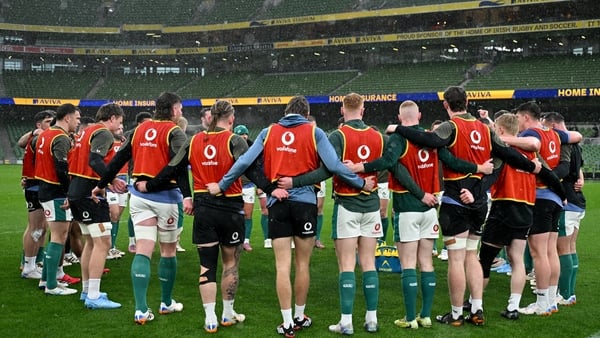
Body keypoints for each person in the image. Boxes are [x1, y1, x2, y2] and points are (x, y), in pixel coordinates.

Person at [207, 95, 375, 338]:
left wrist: (222, 184)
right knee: (302, 264)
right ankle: (299, 315)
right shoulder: (314, 132)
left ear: (286, 112)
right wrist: (361, 183)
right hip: (305, 204)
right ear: (305, 115)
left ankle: (287, 323)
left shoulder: (268, 131)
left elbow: (244, 162)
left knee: (282, 266)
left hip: (278, 203)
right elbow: (335, 166)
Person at [390, 87, 542, 327]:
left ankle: (457, 313)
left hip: (455, 200)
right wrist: (532, 167)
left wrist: (398, 128)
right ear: (468, 101)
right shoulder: (485, 128)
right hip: (479, 203)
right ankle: (477, 308)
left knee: (456, 259)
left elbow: (430, 140)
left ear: (445, 105)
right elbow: (502, 154)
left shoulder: (451, 127)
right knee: (473, 256)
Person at [350, 100, 491, 329]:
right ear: (420, 115)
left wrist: (360, 167)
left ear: (399, 117)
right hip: (430, 209)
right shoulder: (431, 138)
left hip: (408, 207)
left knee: (408, 264)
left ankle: (409, 318)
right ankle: (425, 316)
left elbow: (388, 162)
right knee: (426, 262)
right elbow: (452, 161)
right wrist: (479, 169)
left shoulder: (398, 138)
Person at [142, 101, 255, 332]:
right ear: (231, 118)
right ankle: (227, 313)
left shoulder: (193, 141)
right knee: (230, 263)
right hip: (230, 207)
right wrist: (273, 188)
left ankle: (210, 318)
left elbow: (173, 167)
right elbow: (251, 170)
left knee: (207, 266)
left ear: (209, 117)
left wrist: (150, 185)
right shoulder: (234, 140)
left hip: (203, 207)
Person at [91, 92, 188, 324]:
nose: (181, 113)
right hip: (164, 197)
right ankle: (165, 303)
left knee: (143, 250)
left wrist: (101, 185)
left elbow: (115, 161)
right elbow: (179, 166)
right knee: (168, 251)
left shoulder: (137, 131)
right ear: (173, 110)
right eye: (180, 109)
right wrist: (186, 196)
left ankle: (141, 309)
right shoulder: (175, 132)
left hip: (139, 198)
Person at [477, 113, 563, 320]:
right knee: (517, 260)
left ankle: (474, 303)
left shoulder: (503, 151)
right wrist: (563, 194)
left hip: (505, 205)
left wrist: (476, 192)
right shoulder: (531, 155)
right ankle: (513, 307)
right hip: (526, 208)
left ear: (500, 130)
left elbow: (492, 175)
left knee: (485, 259)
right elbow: (549, 173)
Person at [514, 102, 581, 316]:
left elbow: (530, 149)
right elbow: (574, 137)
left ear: (525, 117)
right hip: (555, 197)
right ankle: (551, 300)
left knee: (538, 253)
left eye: (518, 118)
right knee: (551, 251)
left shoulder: (530, 133)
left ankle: (542, 303)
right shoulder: (553, 134)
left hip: (540, 196)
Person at [67, 103, 124, 309]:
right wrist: (110, 180)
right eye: (119, 120)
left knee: (91, 242)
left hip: (77, 189)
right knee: (103, 243)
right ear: (111, 117)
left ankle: (87, 290)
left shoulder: (85, 132)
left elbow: (74, 161)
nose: (120, 125)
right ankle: (93, 295)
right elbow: (95, 161)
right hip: (89, 192)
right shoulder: (103, 133)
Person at [35, 103, 81, 295]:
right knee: (58, 236)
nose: (78, 122)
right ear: (67, 118)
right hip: (55, 191)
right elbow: (61, 167)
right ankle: (52, 285)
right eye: (77, 118)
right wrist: (70, 193)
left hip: (46, 188)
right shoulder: (61, 137)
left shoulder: (45, 134)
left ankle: (46, 279)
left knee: (57, 235)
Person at [541, 112, 585, 307]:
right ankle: (569, 292)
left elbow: (566, 169)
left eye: (546, 127)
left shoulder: (563, 142)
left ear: (554, 126)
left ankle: (565, 293)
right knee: (570, 247)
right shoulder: (574, 143)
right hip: (578, 202)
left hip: (567, 201)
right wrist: (581, 177)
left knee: (562, 249)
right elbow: (579, 167)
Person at [18, 110, 55, 279]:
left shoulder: (38, 138)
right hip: (36, 186)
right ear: (39, 125)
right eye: (48, 121)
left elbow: (21, 145)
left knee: (40, 227)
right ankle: (28, 266)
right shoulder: (39, 139)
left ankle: (33, 263)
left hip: (36, 184)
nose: (52, 124)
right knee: (36, 228)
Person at [124, 111, 153, 253]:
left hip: (149, 178)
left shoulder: (152, 135)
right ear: (140, 123)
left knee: (150, 211)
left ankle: (146, 241)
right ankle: (132, 241)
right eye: (147, 122)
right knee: (134, 211)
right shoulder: (132, 135)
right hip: (134, 176)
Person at [104, 125, 128, 259]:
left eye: (121, 128)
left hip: (123, 179)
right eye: (118, 128)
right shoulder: (106, 142)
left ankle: (112, 247)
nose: (121, 130)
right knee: (113, 213)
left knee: (117, 215)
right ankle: (106, 247)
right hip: (112, 181)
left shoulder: (124, 143)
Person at [306, 116, 326, 249]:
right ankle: (306, 237)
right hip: (305, 179)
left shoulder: (321, 139)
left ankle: (317, 238)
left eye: (315, 126)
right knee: (306, 209)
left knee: (319, 208)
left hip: (319, 178)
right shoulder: (303, 140)